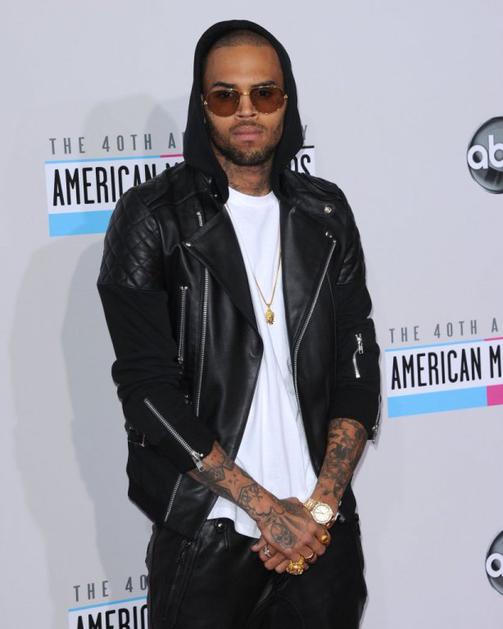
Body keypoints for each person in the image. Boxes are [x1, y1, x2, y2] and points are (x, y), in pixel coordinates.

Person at [97, 18, 381, 629]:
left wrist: (318, 509)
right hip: (209, 536)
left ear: (286, 101)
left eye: (264, 93)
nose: (246, 110)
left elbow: (356, 368)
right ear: (203, 106)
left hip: (322, 535)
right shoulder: (151, 219)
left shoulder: (326, 213)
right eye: (226, 96)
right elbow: (147, 392)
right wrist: (268, 512)